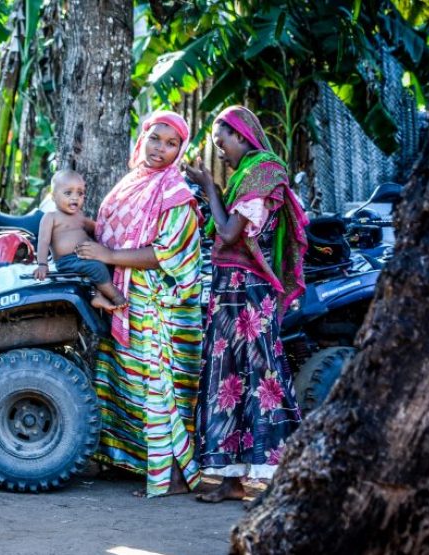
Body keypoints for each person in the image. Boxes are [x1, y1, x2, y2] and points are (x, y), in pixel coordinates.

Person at [182, 105, 308, 503]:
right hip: (228, 292)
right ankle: (231, 479)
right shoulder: (244, 176)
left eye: (224, 143)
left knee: (262, 378)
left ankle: (279, 474)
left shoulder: (263, 173)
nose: (221, 152)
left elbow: (229, 231)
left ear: (243, 136)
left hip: (251, 294)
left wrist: (209, 188)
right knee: (227, 381)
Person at [75, 111, 204, 497]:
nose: (160, 150)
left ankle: (174, 477)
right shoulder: (133, 182)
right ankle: (133, 462)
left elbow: (167, 254)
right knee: (124, 381)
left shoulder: (175, 192)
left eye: (171, 144)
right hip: (127, 300)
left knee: (159, 389)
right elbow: (120, 231)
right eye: (155, 139)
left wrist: (107, 254)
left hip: (161, 308)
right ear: (142, 137)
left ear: (180, 151)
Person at [33, 169, 127, 312]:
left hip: (85, 256)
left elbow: (96, 228)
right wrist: (42, 264)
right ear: (53, 197)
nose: (75, 198)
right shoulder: (51, 217)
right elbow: (43, 241)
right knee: (96, 268)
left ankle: (97, 296)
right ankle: (116, 297)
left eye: (80, 193)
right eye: (68, 193)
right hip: (68, 260)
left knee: (107, 265)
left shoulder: (80, 216)